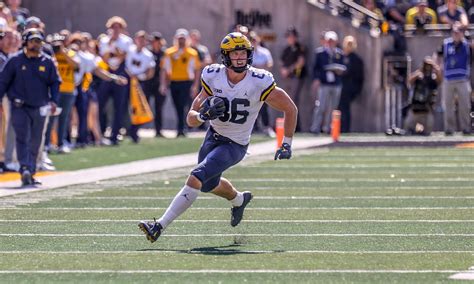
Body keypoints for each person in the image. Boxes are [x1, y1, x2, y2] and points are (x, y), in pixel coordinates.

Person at [138, 32, 298, 243]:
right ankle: (239, 200)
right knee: (207, 184)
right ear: (225, 56)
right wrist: (203, 115)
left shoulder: (259, 81)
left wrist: (286, 143)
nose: (240, 57)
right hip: (212, 137)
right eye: (235, 53)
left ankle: (158, 225)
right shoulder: (213, 75)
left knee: (196, 176)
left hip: (235, 144)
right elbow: (190, 119)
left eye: (243, 52)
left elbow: (290, 108)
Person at [0, 28, 61, 186]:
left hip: (40, 106)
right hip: (19, 106)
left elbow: (55, 82)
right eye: (33, 41)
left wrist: (54, 100)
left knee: (36, 140)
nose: (36, 44)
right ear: (25, 41)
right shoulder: (15, 60)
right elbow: (3, 82)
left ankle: (31, 171)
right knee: (22, 138)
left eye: (39, 41)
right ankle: (25, 168)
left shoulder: (46, 62)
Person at [98, 16, 132, 145]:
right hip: (107, 73)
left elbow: (123, 56)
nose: (116, 29)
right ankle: (100, 132)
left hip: (121, 73)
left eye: (118, 27)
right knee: (101, 104)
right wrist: (114, 50)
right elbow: (104, 57)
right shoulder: (104, 40)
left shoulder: (126, 41)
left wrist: (114, 51)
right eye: (113, 27)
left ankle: (115, 134)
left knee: (119, 106)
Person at [160, 28, 201, 137]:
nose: (181, 41)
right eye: (179, 38)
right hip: (174, 82)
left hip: (186, 82)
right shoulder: (170, 52)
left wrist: (195, 85)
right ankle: (181, 128)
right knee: (177, 105)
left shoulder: (192, 53)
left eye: (183, 38)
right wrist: (163, 84)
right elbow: (164, 69)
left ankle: (182, 128)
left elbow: (197, 69)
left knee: (183, 105)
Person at [437, 24, 472, 135]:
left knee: (465, 105)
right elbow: (438, 55)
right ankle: (449, 129)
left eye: (459, 32)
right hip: (448, 79)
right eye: (455, 32)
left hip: (463, 79)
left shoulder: (467, 45)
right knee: (448, 105)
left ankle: (465, 128)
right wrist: (438, 68)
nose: (456, 34)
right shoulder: (446, 44)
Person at [310, 31, 346, 134]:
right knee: (321, 106)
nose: (330, 43)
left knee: (333, 108)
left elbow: (343, 67)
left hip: (336, 83)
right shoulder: (320, 53)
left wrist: (339, 70)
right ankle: (315, 127)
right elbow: (315, 68)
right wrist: (317, 79)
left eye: (332, 41)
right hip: (324, 83)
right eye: (329, 41)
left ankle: (329, 128)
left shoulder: (339, 53)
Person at [125, 30, 155, 143]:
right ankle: (127, 129)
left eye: (143, 40)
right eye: (139, 39)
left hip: (139, 83)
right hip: (128, 81)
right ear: (135, 40)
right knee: (126, 106)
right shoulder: (130, 50)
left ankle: (134, 130)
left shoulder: (148, 55)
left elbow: (150, 72)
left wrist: (141, 76)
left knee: (140, 107)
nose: (141, 41)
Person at [403, 57, 442, 135]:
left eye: (429, 66)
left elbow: (439, 81)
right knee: (407, 129)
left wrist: (435, 67)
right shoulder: (418, 76)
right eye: (426, 65)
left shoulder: (433, 79)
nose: (427, 68)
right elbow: (409, 81)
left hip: (427, 109)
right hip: (415, 108)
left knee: (428, 131)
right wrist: (419, 71)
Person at [279, 26, 306, 132]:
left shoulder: (300, 48)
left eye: (292, 36)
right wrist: (283, 71)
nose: (290, 38)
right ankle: (289, 125)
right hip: (287, 78)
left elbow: (301, 62)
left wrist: (288, 70)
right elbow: (281, 63)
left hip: (296, 77)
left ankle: (295, 127)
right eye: (289, 36)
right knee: (286, 101)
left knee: (293, 102)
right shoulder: (286, 49)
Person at [249, 31, 275, 137]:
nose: (253, 42)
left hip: (262, 83)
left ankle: (267, 127)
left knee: (264, 106)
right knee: (251, 105)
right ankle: (253, 128)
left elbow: (269, 64)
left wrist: (257, 67)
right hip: (250, 83)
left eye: (255, 39)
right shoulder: (248, 53)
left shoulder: (265, 52)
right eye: (251, 40)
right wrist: (260, 66)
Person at [143, 32, 166, 137]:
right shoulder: (147, 52)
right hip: (147, 82)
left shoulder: (164, 53)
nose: (154, 43)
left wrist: (163, 84)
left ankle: (158, 130)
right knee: (144, 105)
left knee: (159, 107)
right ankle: (138, 128)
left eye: (156, 41)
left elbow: (164, 70)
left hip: (158, 83)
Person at [339, 36, 364, 133]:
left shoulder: (356, 59)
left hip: (349, 88)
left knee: (345, 110)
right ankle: (338, 129)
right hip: (340, 87)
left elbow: (359, 77)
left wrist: (356, 90)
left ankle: (345, 130)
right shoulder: (341, 57)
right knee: (339, 110)